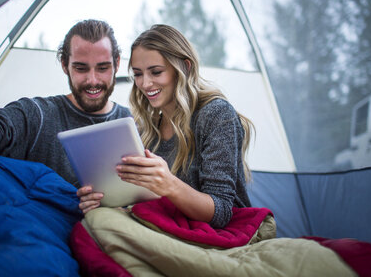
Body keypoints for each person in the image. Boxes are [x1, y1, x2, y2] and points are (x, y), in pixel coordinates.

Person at [0, 19, 131, 253]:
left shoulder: (133, 125)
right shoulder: (38, 115)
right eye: (81, 68)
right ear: (64, 64)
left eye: (102, 68)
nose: (93, 80)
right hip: (42, 243)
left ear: (117, 63)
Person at [78, 24, 253, 228]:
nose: (145, 84)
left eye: (156, 72)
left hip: (221, 231)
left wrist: (168, 183)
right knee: (96, 222)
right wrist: (105, 201)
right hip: (169, 227)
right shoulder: (145, 130)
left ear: (185, 68)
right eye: (138, 74)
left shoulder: (216, 115)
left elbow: (222, 212)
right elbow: (145, 203)